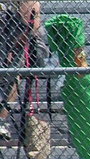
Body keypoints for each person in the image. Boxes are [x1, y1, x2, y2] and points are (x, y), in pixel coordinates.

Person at [0, 0, 48, 140]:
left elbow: (30, 28)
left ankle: (1, 120)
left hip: (24, 44)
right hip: (6, 43)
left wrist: (13, 48)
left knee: (16, 69)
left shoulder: (28, 4)